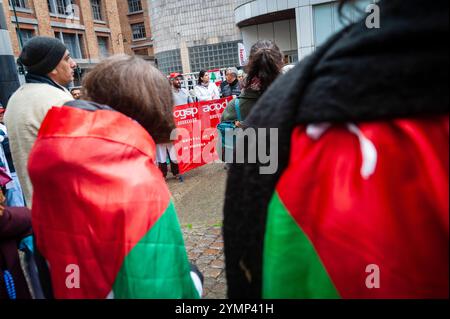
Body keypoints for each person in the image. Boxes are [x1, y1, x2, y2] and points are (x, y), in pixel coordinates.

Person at [223, 0, 449, 299]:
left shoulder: (277, 103)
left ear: (248, 66)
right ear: (279, 63)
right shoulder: (309, 95)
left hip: (269, 191)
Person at [28, 55, 202, 299]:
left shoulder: (52, 160)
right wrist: (194, 278)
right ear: (153, 106)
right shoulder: (137, 181)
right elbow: (160, 288)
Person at [4, 36, 76, 208]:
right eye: (67, 59)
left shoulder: (16, 99)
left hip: (38, 209)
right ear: (52, 68)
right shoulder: (57, 100)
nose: (73, 64)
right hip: (66, 210)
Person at [221, 40, 284, 129]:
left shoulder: (233, 109)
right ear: (280, 62)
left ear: (250, 65)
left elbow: (226, 141)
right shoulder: (295, 103)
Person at [156, 72, 191, 181]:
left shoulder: (185, 92)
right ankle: (163, 174)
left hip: (178, 125)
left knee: (174, 150)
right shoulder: (162, 94)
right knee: (161, 152)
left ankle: (176, 172)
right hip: (163, 125)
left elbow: (191, 106)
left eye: (179, 79)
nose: (178, 81)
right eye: (176, 79)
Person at [0, 105, 25, 207]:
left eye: (2, 112)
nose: (1, 115)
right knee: (16, 205)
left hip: (15, 171)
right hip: (8, 174)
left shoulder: (5, 127)